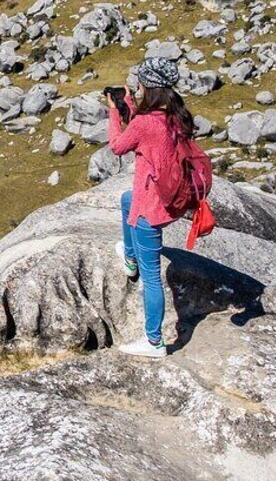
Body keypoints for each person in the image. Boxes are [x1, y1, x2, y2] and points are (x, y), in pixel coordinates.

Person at [107, 57, 196, 359]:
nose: (139, 89)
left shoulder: (146, 123)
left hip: (150, 210)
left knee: (151, 277)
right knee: (125, 200)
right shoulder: (174, 115)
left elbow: (118, 146)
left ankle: (154, 341)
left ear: (150, 87)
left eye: (141, 85)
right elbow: (151, 136)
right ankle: (129, 258)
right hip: (165, 202)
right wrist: (130, 107)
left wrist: (113, 112)